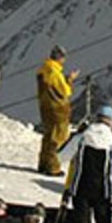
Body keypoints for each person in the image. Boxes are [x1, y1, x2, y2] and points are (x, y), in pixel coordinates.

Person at [37, 45, 77, 176]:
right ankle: (52, 166)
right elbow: (64, 91)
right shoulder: (55, 72)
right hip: (57, 109)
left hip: (45, 107)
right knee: (58, 138)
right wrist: (69, 80)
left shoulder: (43, 69)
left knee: (48, 136)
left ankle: (43, 163)